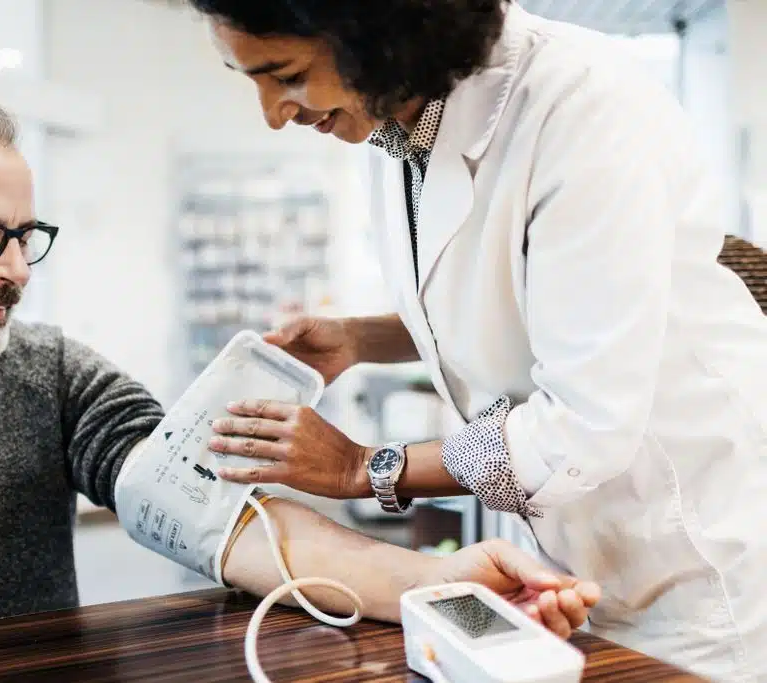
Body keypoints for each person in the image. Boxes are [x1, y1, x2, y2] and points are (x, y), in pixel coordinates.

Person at [0, 85, 598, 652]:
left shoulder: (51, 375)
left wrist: (430, 579)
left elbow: (216, 516)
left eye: (24, 236)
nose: (14, 269)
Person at [189, 1, 767, 681]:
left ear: (379, 30)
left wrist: (367, 468)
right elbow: (507, 296)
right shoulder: (395, 125)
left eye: (285, 75)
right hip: (577, 552)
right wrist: (359, 338)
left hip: (701, 559)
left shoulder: (582, 108)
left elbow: (585, 425)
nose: (273, 113)